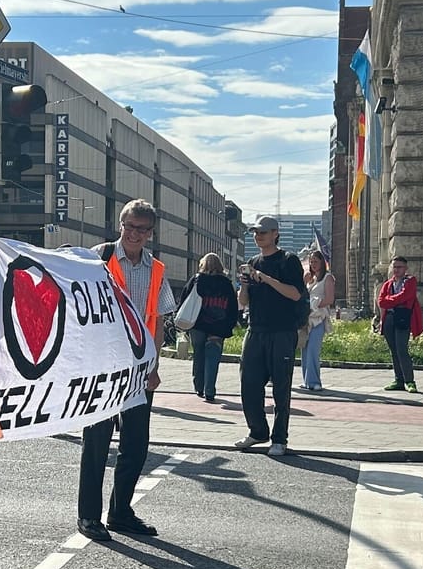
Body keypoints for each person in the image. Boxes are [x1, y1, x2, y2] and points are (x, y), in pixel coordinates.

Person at [77, 199, 172, 541]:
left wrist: (154, 365)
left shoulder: (156, 269)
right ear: (120, 225)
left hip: (138, 371)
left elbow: (158, 322)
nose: (134, 234)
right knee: (97, 444)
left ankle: (120, 512)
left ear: (150, 233)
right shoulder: (97, 258)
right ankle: (89, 516)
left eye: (142, 229)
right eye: (129, 226)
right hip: (102, 368)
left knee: (135, 445)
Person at [234, 216, 307, 456]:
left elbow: (296, 294)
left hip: (282, 331)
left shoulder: (288, 260)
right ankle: (257, 431)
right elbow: (242, 303)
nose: (258, 236)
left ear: (275, 233)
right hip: (256, 330)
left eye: (263, 232)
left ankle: (279, 438)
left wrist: (264, 278)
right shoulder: (252, 261)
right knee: (249, 384)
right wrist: (244, 284)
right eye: (255, 232)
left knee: (281, 388)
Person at [185, 253, 239, 403]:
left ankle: (199, 387)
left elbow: (184, 299)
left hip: (197, 324)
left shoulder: (196, 280)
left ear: (203, 264)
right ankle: (210, 390)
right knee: (212, 357)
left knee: (199, 355)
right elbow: (232, 307)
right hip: (218, 326)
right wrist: (230, 325)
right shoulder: (226, 283)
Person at [372, 257, 423, 392]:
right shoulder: (388, 284)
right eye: (394, 267)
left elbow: (406, 296)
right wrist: (394, 300)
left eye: (399, 267)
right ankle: (398, 380)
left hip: (402, 318)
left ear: (405, 269)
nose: (396, 270)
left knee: (402, 349)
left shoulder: (410, 281)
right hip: (389, 318)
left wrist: (390, 300)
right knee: (393, 350)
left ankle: (409, 381)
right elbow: (381, 302)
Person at [300, 253, 336, 392]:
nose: (313, 264)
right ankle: (307, 380)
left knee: (313, 350)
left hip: (318, 317)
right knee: (305, 349)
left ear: (322, 262)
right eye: (311, 262)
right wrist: (304, 282)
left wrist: (315, 303)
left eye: (316, 261)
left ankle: (315, 381)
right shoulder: (311, 279)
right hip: (307, 318)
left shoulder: (327, 278)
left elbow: (329, 299)